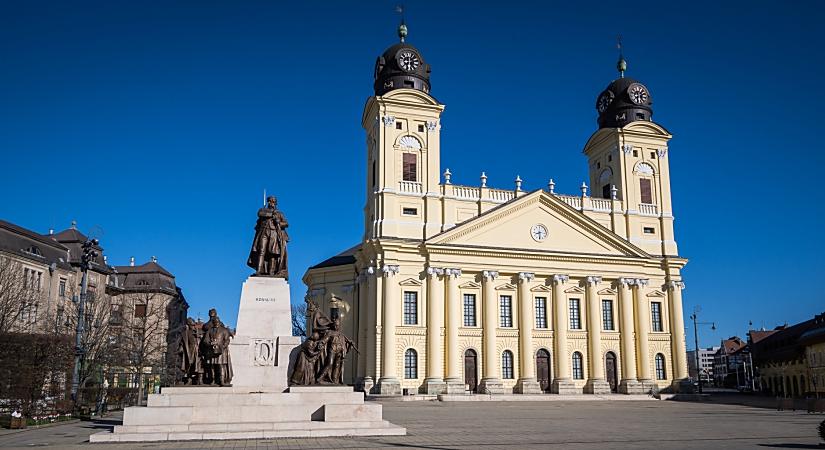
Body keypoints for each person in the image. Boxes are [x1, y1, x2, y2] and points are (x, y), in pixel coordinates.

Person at [247, 196, 289, 278]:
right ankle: (259, 270)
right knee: (261, 251)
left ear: (276, 203)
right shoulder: (263, 211)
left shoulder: (279, 213)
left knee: (273, 253)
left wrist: (278, 222)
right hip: (264, 232)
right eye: (270, 201)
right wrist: (272, 215)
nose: (271, 203)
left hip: (274, 233)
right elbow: (260, 214)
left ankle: (271, 272)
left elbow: (286, 224)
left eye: (273, 202)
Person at [201, 309, 233, 386]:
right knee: (212, 366)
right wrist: (210, 343)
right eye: (215, 322)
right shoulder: (209, 330)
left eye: (217, 321)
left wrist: (222, 347)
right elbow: (205, 340)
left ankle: (222, 381)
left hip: (221, 351)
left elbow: (227, 340)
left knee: (221, 366)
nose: (216, 323)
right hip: (211, 351)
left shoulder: (224, 330)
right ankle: (213, 380)